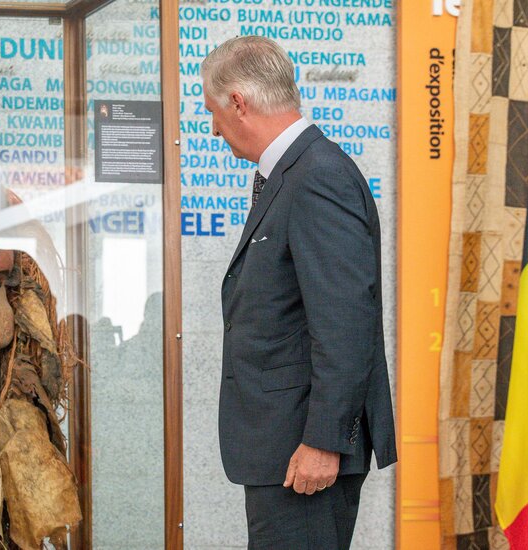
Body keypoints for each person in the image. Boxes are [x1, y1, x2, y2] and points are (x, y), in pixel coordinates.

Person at [204, 36, 397, 548]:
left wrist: (322, 442)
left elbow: (346, 323)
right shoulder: (296, 172)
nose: (214, 129)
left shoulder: (318, 176)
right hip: (283, 447)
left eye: (213, 112)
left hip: (303, 452)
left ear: (238, 103)